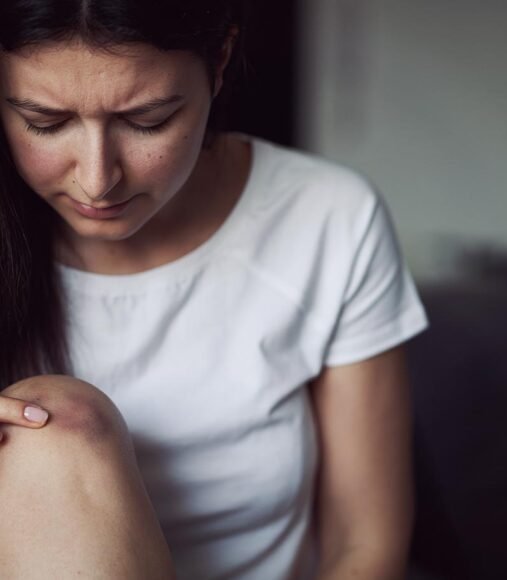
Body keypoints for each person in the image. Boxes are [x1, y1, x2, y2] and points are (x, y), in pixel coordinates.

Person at [0, 1, 428, 579]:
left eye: (147, 120)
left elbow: (364, 546)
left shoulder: (329, 218)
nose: (97, 180)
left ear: (219, 60)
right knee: (55, 424)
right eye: (45, 122)